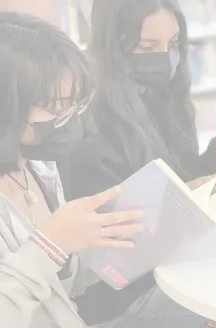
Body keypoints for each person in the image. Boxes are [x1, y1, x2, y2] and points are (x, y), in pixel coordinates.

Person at [57, 0, 216, 326]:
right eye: (148, 47)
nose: (165, 58)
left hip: (174, 261)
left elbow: (181, 174)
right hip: (125, 295)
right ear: (113, 46)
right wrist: (178, 200)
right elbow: (110, 248)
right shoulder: (89, 126)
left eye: (172, 44)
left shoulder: (159, 96)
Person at [0, 12, 144, 327]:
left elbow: (65, 285)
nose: (69, 119)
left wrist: (119, 239)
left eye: (75, 104)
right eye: (55, 106)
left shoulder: (38, 169)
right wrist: (49, 246)